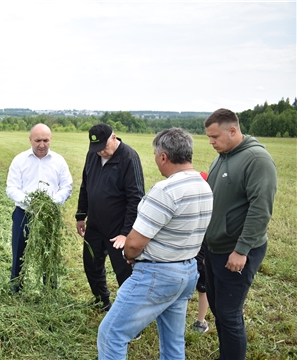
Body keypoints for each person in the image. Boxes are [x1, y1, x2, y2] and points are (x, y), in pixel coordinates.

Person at [97, 127, 213, 360]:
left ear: (163, 157)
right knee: (173, 342)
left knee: (111, 333)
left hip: (157, 274)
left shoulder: (165, 190)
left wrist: (129, 254)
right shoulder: (204, 185)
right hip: (187, 271)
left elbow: (134, 244)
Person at [203, 108, 277, 360]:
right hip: (215, 249)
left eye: (214, 137)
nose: (211, 142)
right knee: (218, 309)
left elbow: (261, 209)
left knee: (229, 312)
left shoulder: (257, 160)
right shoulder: (222, 157)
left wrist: (241, 250)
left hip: (236, 252)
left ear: (232, 130)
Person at [75, 123, 145, 311]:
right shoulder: (93, 154)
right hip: (95, 225)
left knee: (124, 273)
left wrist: (126, 233)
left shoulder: (129, 158)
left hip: (118, 229)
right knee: (91, 265)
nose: (100, 153)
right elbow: (85, 186)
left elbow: (136, 198)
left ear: (114, 138)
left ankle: (130, 314)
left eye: (103, 148)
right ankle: (101, 301)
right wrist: (81, 215)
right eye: (96, 149)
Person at [6, 123, 73, 292]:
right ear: (30, 140)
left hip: (49, 215)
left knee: (49, 254)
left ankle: (50, 290)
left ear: (50, 140)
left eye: (46, 140)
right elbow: (11, 188)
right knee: (19, 251)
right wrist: (31, 202)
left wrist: (52, 203)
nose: (42, 145)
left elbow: (67, 186)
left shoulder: (59, 161)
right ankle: (16, 287)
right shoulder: (20, 160)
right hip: (24, 213)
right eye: (37, 140)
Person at [192, 171, 210, 334]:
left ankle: (201, 320)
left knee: (203, 289)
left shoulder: (212, 208)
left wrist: (206, 258)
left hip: (203, 253)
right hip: (189, 254)